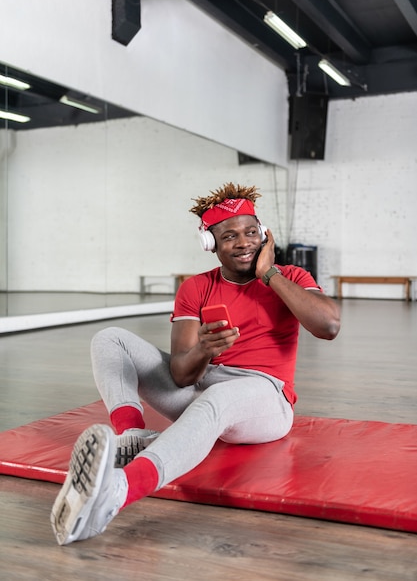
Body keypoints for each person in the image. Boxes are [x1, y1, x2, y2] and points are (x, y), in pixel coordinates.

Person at [50, 181, 340, 546]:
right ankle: (132, 435)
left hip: (266, 397)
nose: (244, 242)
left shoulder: (291, 277)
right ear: (211, 244)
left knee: (216, 399)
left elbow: (328, 326)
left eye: (252, 232)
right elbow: (181, 376)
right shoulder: (195, 288)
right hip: (203, 386)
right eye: (230, 236)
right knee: (110, 339)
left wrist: (270, 273)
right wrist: (203, 350)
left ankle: (118, 491)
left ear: (265, 235)